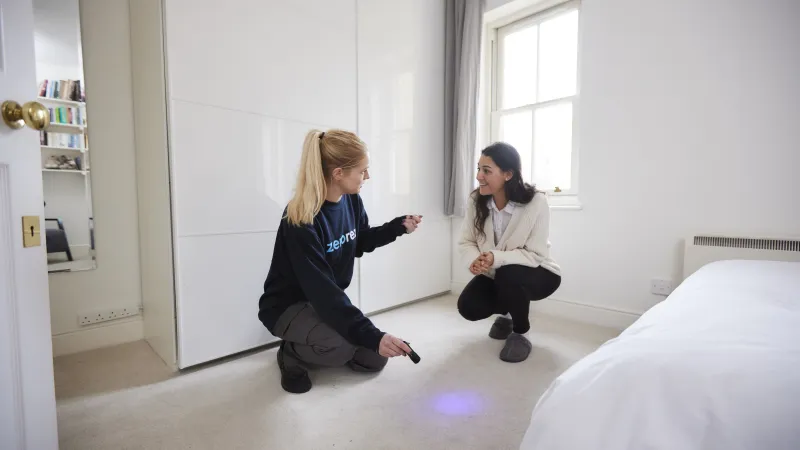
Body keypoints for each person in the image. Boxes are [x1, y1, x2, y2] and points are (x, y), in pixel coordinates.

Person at [258, 129, 422, 394]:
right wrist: (372, 335)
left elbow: (361, 241)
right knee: (342, 347)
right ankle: (291, 355)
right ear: (338, 174)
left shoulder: (351, 200)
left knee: (373, 359)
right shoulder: (300, 218)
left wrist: (397, 227)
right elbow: (323, 292)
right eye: (362, 170)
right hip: (288, 307)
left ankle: (322, 340)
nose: (367, 176)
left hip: (322, 299)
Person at [457, 142, 561, 363]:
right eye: (478, 169)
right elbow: (466, 241)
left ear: (507, 174)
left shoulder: (537, 202)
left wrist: (496, 257)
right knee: (468, 307)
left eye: (486, 170)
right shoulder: (476, 201)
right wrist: (475, 260)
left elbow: (535, 254)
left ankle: (521, 333)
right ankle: (508, 313)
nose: (478, 176)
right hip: (499, 272)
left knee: (509, 273)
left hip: (540, 272)